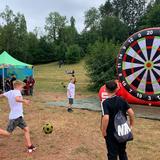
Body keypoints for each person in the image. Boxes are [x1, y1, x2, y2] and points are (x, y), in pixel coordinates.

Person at [101, 80, 134, 160]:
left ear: (105, 89)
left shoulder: (105, 102)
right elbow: (131, 112)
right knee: (122, 152)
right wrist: (131, 125)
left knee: (112, 154)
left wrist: (104, 130)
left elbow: (106, 117)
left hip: (111, 133)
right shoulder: (122, 99)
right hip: (122, 131)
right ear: (116, 89)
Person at [0, 80, 36, 153]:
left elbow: (1, 95)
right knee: (8, 133)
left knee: (26, 129)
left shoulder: (10, 92)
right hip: (15, 116)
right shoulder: (17, 92)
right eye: (22, 87)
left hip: (18, 116)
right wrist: (24, 101)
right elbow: (17, 99)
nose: (22, 89)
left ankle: (29, 146)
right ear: (18, 86)